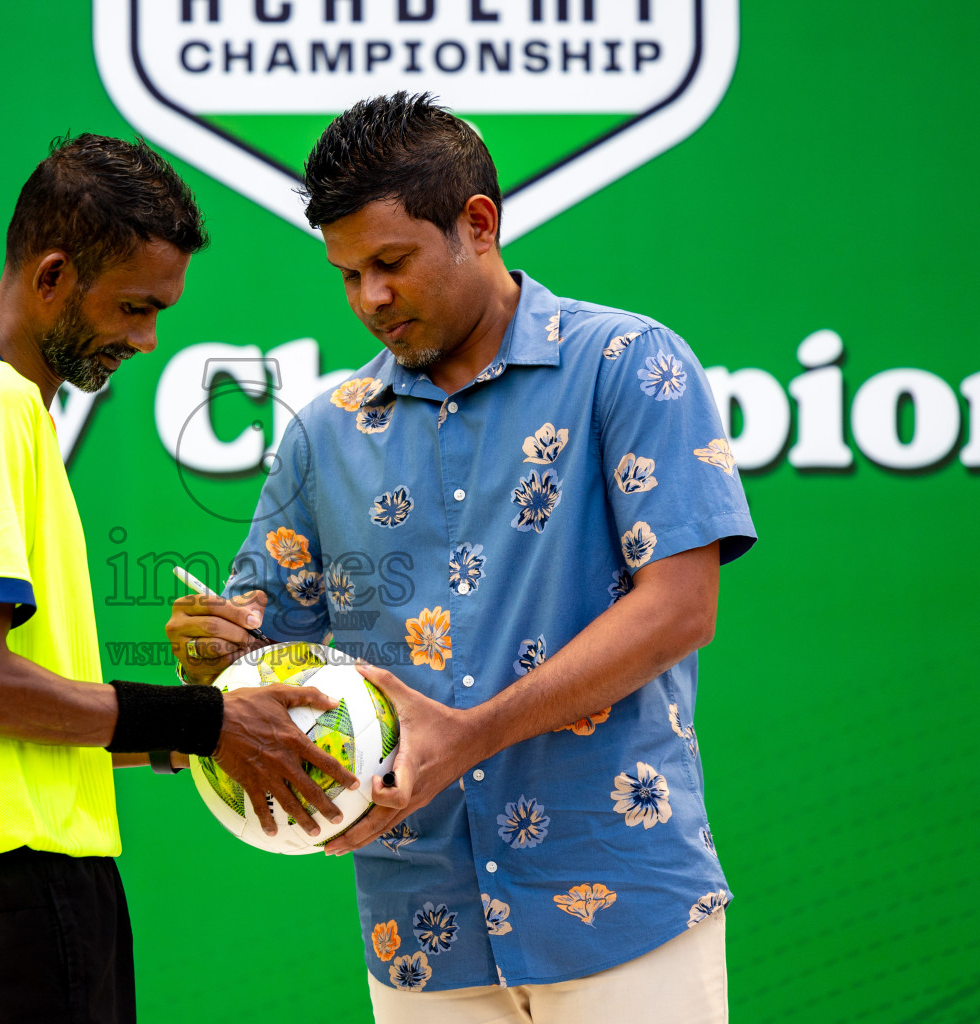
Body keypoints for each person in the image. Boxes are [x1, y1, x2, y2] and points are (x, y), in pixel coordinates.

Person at [165, 93, 755, 1023]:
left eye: (390, 263)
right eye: (348, 274)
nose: (370, 299)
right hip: (417, 928)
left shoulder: (631, 365)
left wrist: (468, 735)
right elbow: (268, 658)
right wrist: (218, 660)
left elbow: (681, 609)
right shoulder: (324, 433)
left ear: (478, 223)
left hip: (623, 901)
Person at [0, 134, 356, 1024]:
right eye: (134, 307)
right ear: (52, 275)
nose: (147, 338)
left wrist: (201, 741)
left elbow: (16, 725)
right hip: (25, 901)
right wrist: (207, 720)